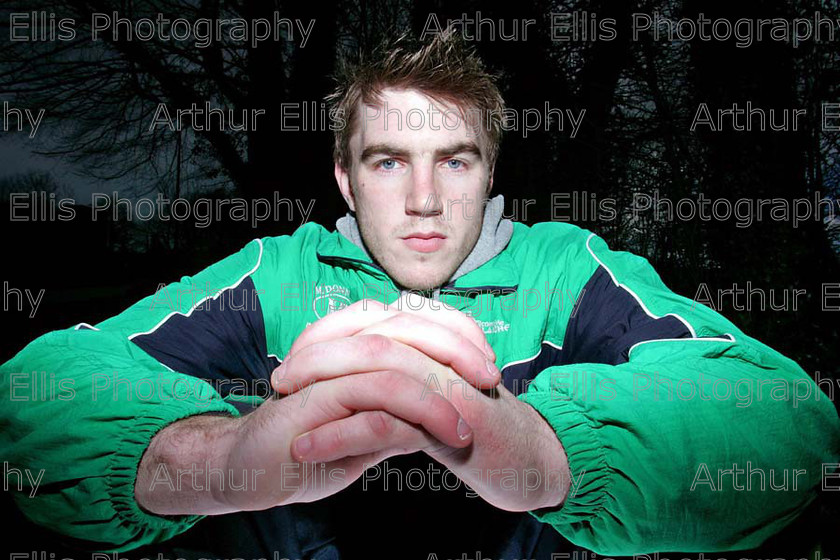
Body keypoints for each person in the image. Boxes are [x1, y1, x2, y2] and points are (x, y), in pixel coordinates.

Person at [1, 31, 838, 560]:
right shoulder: (275, 274)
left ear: (491, 172)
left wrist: (547, 450)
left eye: (457, 160)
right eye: (389, 161)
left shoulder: (567, 270)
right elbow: (39, 392)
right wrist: (215, 462)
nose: (426, 200)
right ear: (344, 176)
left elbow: (789, 420)